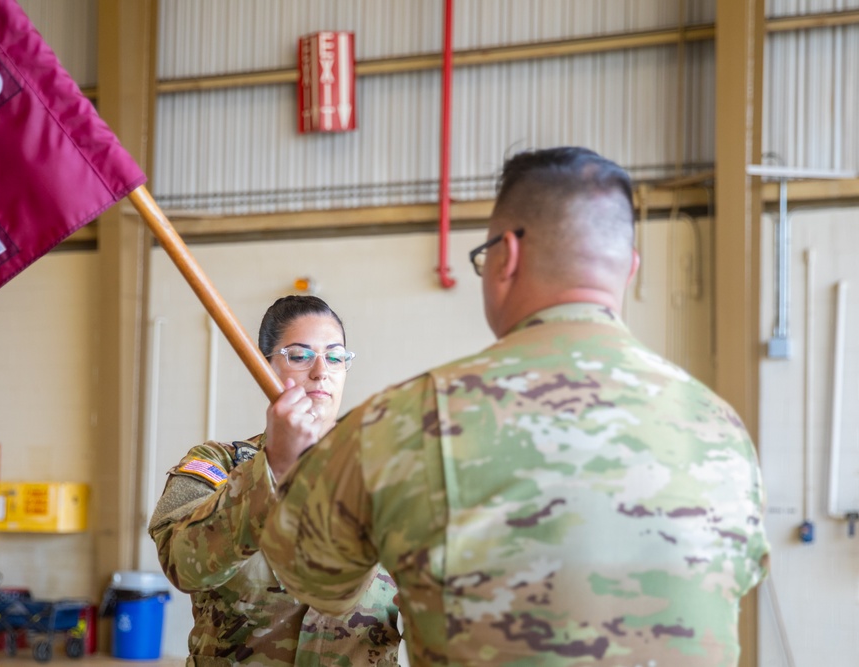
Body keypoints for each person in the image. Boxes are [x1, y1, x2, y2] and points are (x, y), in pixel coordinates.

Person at [258, 147, 770, 666]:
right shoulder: (720, 427)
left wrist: (290, 464)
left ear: (506, 256)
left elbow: (316, 580)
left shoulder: (408, 420)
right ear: (630, 268)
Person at [149, 295, 401, 666]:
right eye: (300, 355)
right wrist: (275, 468)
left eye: (335, 356)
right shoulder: (217, 464)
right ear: (264, 365)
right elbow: (182, 563)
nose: (321, 371)